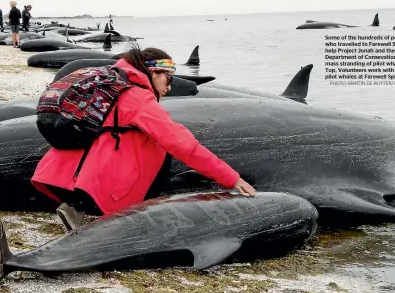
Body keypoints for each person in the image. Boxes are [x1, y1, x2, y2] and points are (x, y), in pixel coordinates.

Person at [31, 47, 256, 231]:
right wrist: (230, 178)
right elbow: (183, 144)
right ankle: (124, 210)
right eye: (168, 78)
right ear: (153, 72)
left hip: (64, 173)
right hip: (97, 176)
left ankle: (76, 208)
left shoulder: (114, 81)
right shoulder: (139, 97)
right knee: (161, 146)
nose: (169, 86)